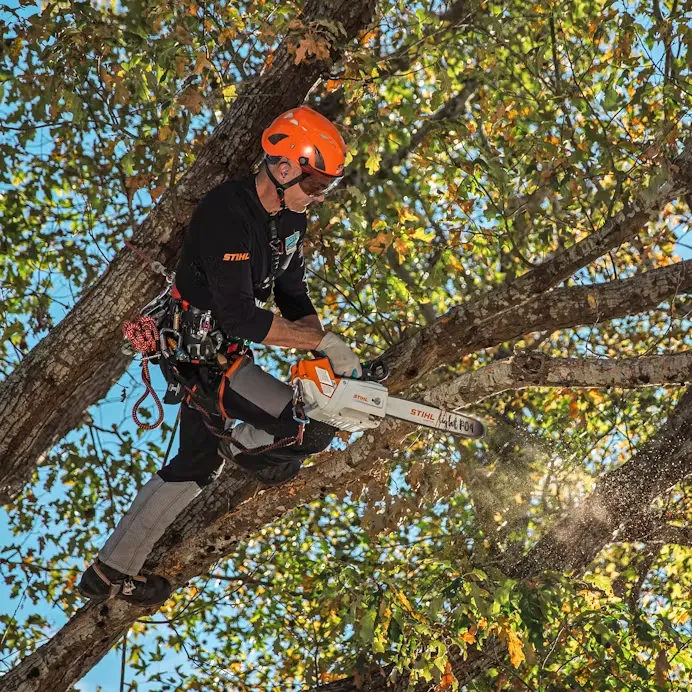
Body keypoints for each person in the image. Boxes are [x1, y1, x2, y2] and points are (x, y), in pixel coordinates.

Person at [78, 106, 361, 606]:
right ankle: (236, 440)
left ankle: (108, 574)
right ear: (285, 166)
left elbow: (292, 294)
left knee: (194, 464)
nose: (317, 196)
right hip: (196, 354)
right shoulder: (226, 213)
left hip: (223, 352)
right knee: (307, 430)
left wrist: (327, 350)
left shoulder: (290, 221)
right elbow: (239, 318)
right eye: (316, 184)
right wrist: (318, 344)